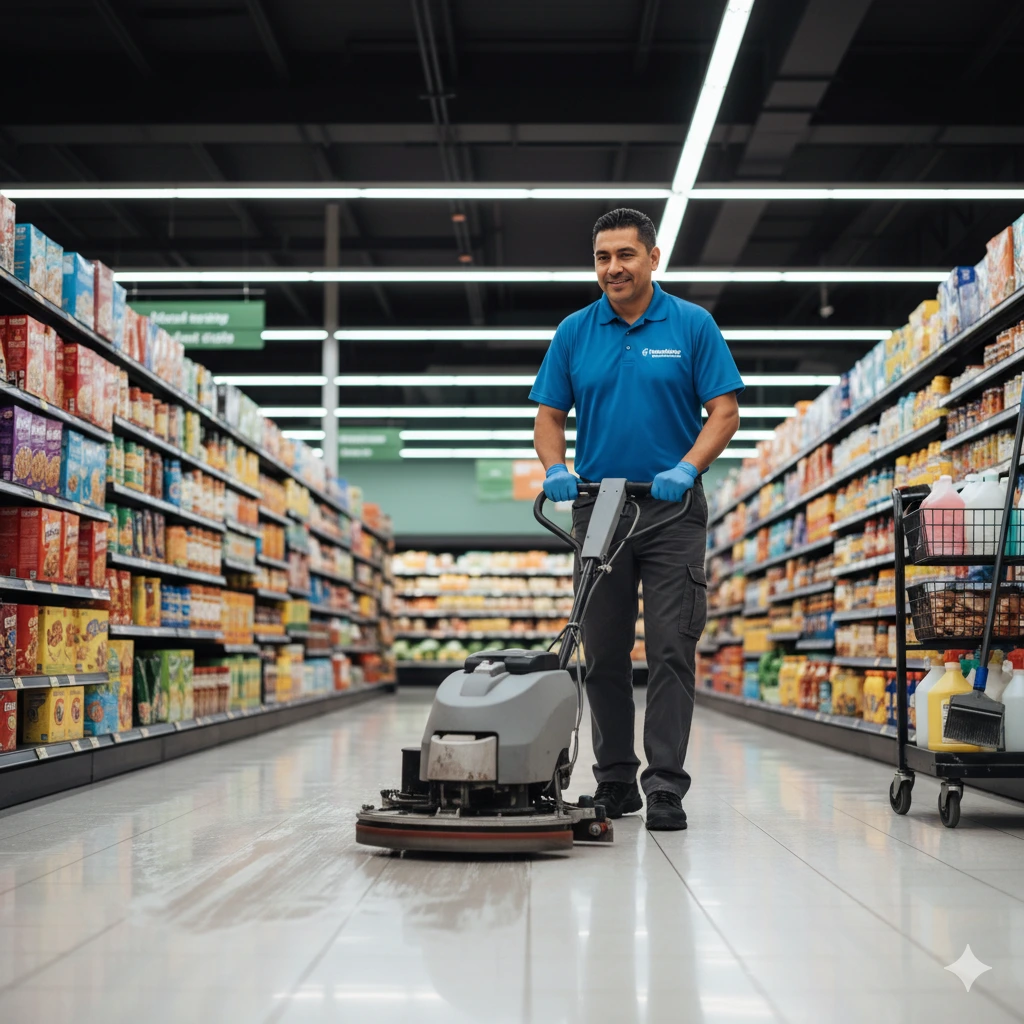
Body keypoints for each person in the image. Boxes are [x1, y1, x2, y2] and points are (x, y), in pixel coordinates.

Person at [530, 207, 742, 831]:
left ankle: (667, 786)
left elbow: (724, 412)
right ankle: (616, 782)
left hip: (673, 507)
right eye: (602, 257)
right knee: (603, 653)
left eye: (625, 255)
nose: (613, 268)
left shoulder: (691, 324)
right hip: (600, 505)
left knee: (673, 648)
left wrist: (689, 465)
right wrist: (554, 467)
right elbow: (548, 416)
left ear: (653, 258)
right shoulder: (574, 331)